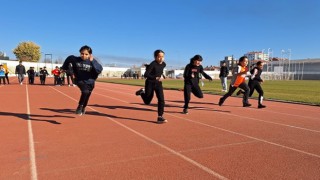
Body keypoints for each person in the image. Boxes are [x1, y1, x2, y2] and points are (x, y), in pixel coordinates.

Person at [61, 45, 103, 116]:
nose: (83, 55)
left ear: (90, 55)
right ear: (80, 53)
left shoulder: (92, 61)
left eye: (86, 54)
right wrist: (64, 67)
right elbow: (69, 58)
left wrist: (92, 61)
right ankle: (79, 107)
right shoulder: (75, 59)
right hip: (79, 80)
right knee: (85, 91)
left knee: (87, 96)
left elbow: (99, 70)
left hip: (90, 82)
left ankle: (84, 107)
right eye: (82, 54)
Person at [135, 49, 167, 123]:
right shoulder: (153, 64)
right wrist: (155, 77)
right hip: (150, 83)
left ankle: (160, 116)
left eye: (163, 56)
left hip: (158, 84)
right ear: (155, 57)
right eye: (159, 56)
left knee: (161, 100)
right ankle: (142, 92)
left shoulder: (164, 64)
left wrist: (163, 76)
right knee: (147, 101)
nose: (161, 58)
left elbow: (160, 71)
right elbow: (146, 75)